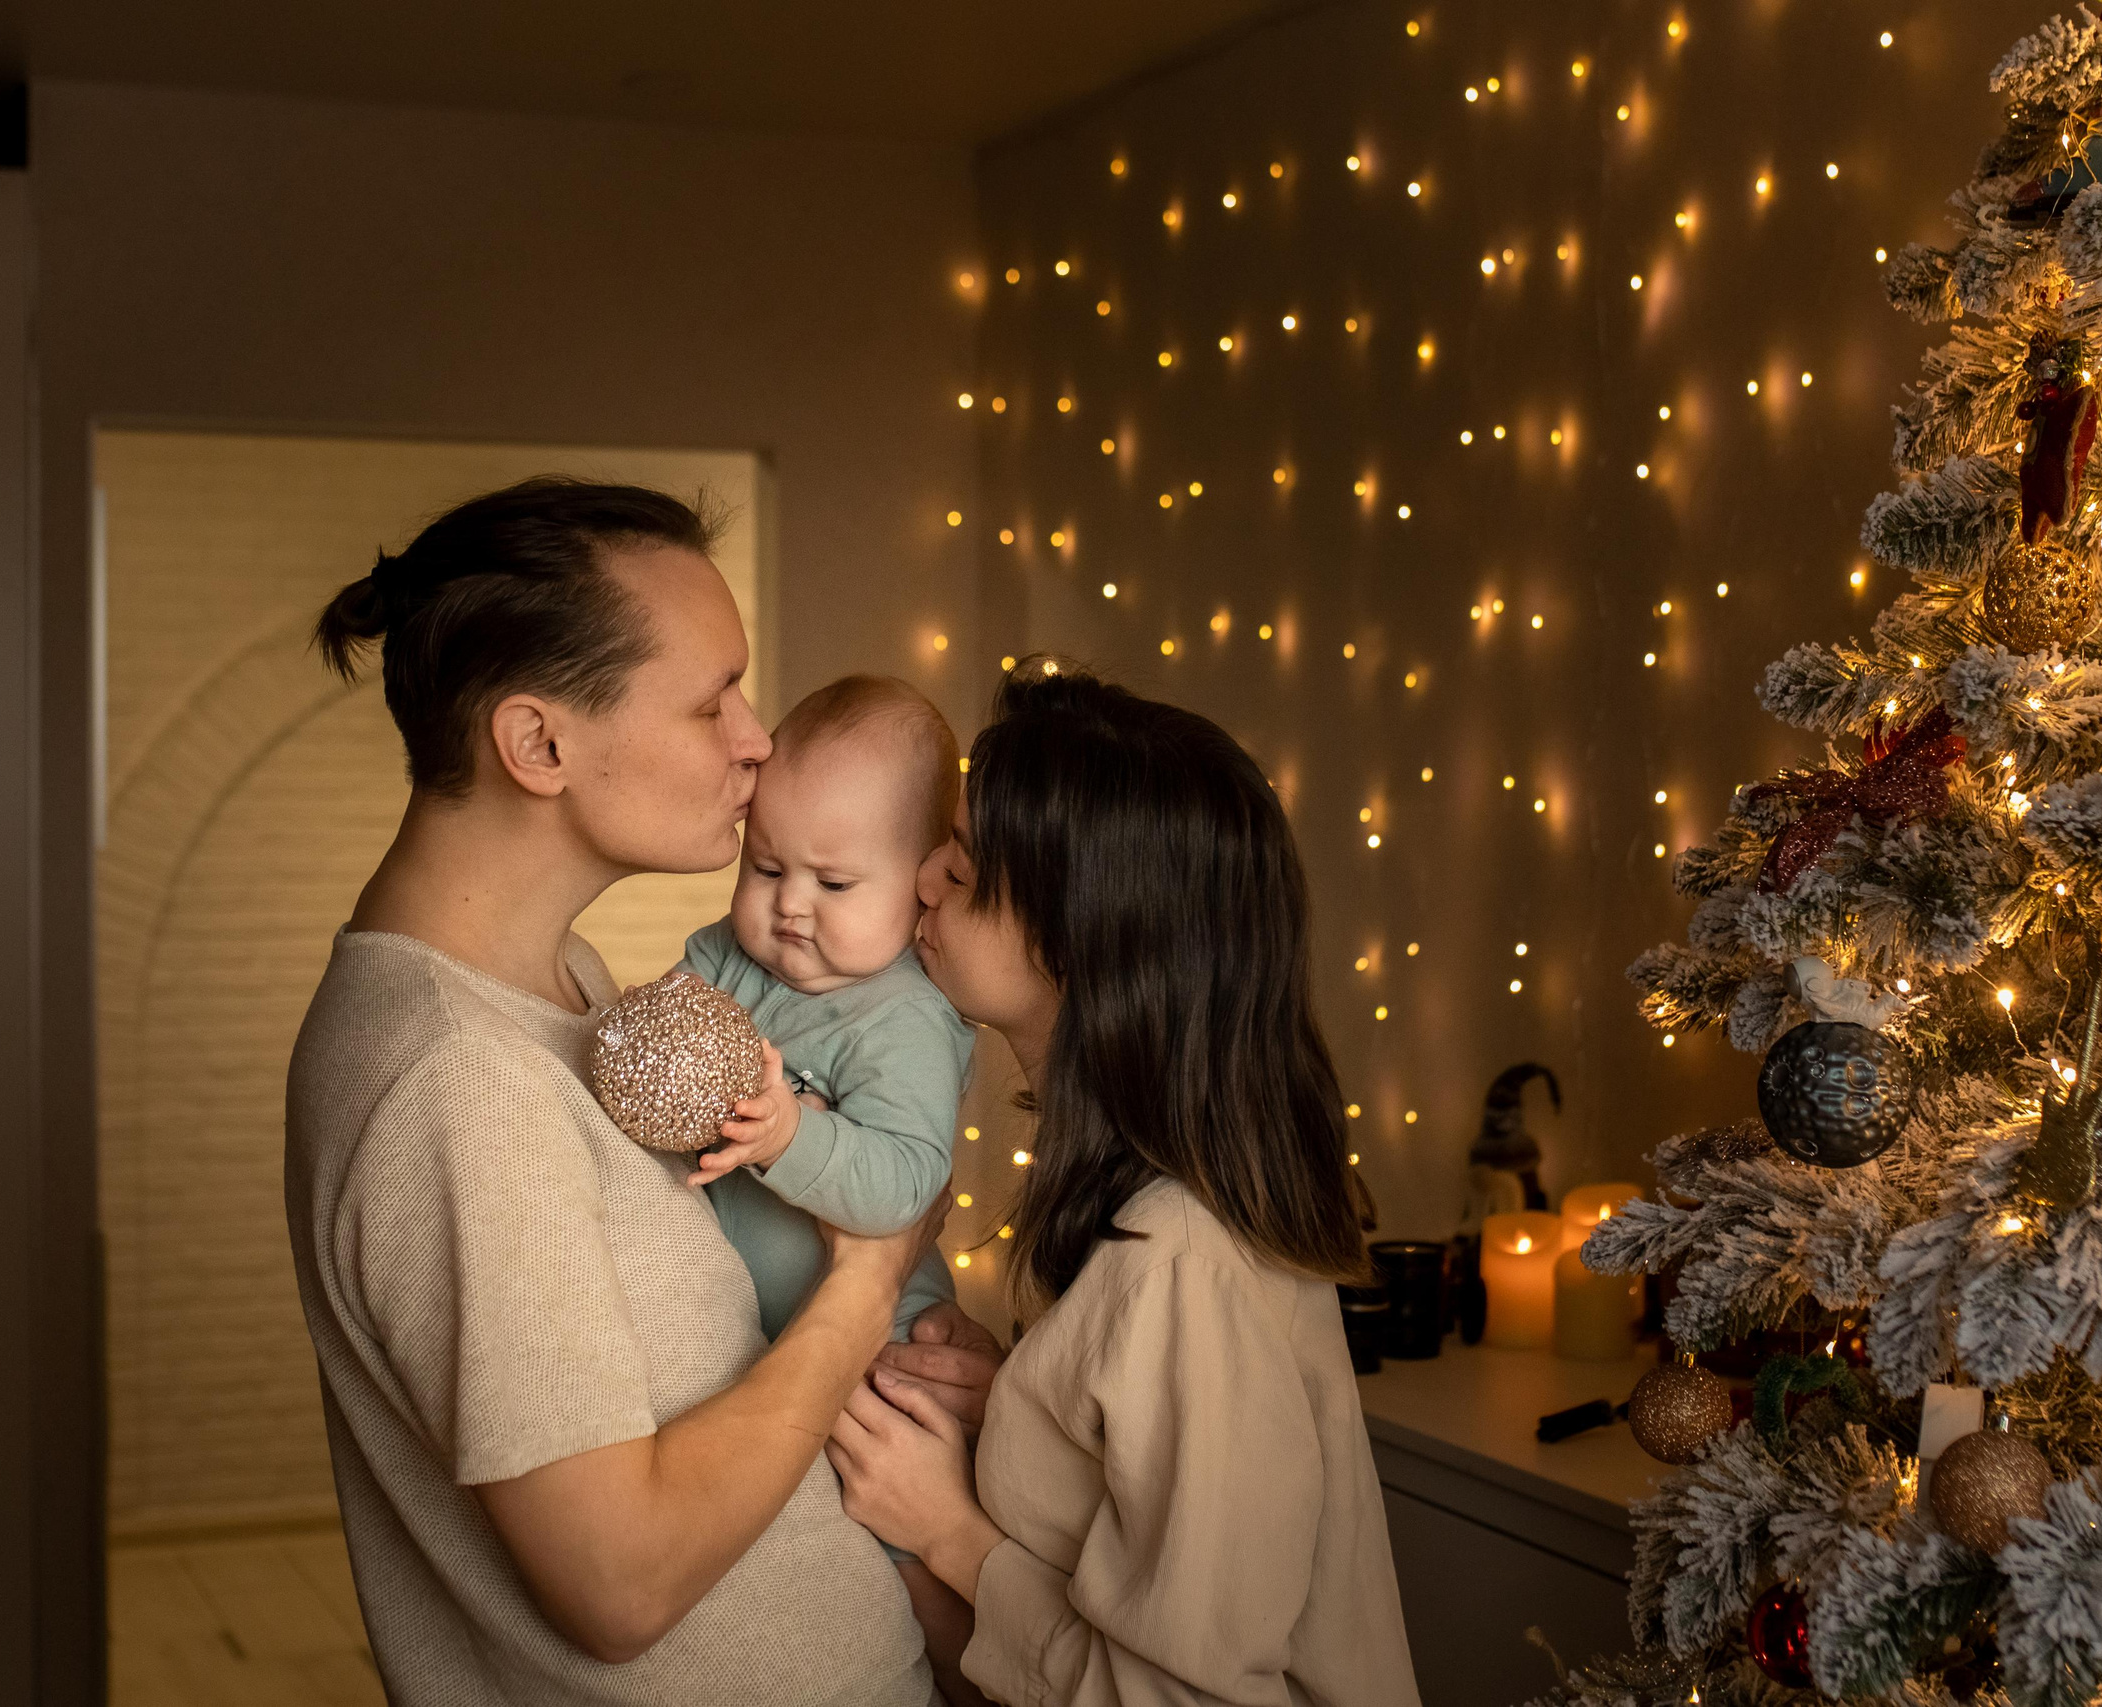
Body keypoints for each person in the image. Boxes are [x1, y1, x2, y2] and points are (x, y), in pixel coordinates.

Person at [283, 476, 996, 1704]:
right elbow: (618, 1583)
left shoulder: (561, 987)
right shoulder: (461, 1086)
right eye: (712, 698)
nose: (758, 738)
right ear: (539, 744)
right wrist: (867, 1281)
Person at [824, 663, 1423, 1706]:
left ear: (1077, 934)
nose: (919, 881)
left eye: (961, 870)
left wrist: (950, 1534)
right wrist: (1017, 1405)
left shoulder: (1183, 1265)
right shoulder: (1131, 1216)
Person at [668, 672, 983, 1689]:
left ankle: (968, 1681)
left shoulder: (904, 1019)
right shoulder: (727, 961)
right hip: (751, 1346)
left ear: (924, 881)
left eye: (834, 884)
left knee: (900, 1554)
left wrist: (788, 1137)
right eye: (766, 867)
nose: (790, 908)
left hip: (879, 1356)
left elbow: (900, 1186)